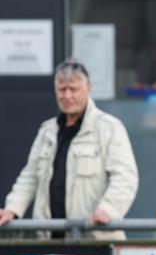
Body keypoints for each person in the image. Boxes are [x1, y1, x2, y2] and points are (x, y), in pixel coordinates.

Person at [0, 59, 139, 239]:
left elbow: (125, 178)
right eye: (61, 90)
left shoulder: (109, 128)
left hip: (94, 240)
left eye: (73, 89)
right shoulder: (47, 131)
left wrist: (108, 209)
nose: (67, 96)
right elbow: (29, 177)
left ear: (88, 89)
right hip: (49, 241)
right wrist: (12, 209)